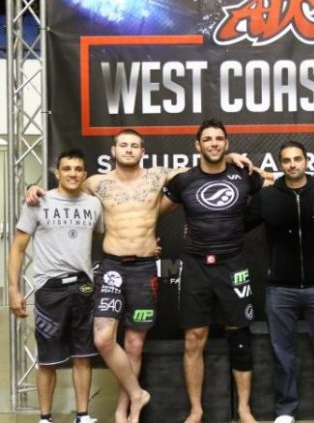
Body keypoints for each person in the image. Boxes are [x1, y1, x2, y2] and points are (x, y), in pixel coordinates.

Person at [26, 128, 250, 423]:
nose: (129, 150)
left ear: (143, 151)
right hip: (112, 267)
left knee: (134, 344)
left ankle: (126, 412)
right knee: (103, 339)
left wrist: (229, 158)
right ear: (113, 150)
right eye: (124, 145)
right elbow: (66, 189)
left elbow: (205, 168)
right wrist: (34, 186)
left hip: (145, 268)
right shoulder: (97, 182)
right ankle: (137, 393)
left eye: (135, 146)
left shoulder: (158, 176)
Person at [245, 140, 314, 423]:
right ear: (280, 164)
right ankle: (285, 411)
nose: (292, 164)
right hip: (280, 290)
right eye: (286, 160)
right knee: (283, 355)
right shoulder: (267, 196)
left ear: (307, 161)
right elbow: (236, 225)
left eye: (297, 159)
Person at [160, 119, 262, 423]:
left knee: (239, 335)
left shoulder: (243, 175)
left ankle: (244, 409)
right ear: (198, 145)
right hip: (195, 266)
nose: (214, 143)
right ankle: (196, 410)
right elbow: (149, 212)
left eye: (219, 139)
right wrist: (142, 237)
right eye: (208, 139)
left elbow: (280, 182)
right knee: (194, 337)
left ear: (226, 143)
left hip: (233, 264)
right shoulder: (184, 181)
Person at [9, 149, 103, 423]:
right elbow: (17, 248)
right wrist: (13, 289)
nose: (72, 173)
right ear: (57, 173)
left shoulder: (94, 205)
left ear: (84, 174)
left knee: (83, 356)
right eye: (67, 168)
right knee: (47, 360)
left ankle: (82, 416)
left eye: (78, 169)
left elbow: (108, 238)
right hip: (50, 290)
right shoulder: (38, 202)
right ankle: (45, 418)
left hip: (83, 287)